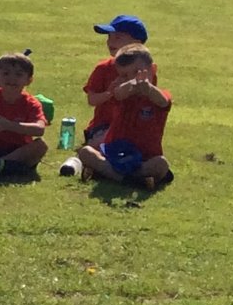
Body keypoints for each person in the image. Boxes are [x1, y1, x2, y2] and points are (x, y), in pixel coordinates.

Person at [64, 14, 156, 176]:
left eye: (118, 37)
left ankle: (108, 168)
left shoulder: (146, 70)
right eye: (109, 37)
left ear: (137, 44)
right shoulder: (103, 68)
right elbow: (92, 100)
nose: (110, 42)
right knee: (105, 140)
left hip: (133, 125)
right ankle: (82, 161)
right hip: (104, 125)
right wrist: (110, 93)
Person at [75, 44, 171, 187]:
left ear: (153, 69)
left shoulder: (159, 96)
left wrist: (148, 88)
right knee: (86, 152)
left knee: (161, 164)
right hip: (114, 154)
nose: (134, 79)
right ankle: (128, 179)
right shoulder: (122, 94)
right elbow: (119, 93)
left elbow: (163, 102)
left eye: (138, 72)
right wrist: (131, 83)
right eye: (125, 75)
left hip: (144, 157)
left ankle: (117, 175)